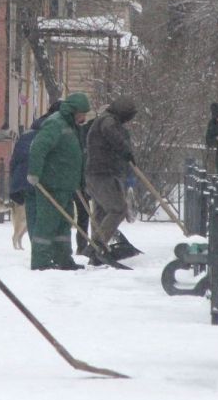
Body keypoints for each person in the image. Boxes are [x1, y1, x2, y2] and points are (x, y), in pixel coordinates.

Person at [25, 92, 91, 271]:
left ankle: (63, 259)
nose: (84, 118)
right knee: (47, 224)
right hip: (51, 184)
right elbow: (39, 147)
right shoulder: (55, 124)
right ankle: (41, 261)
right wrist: (34, 173)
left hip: (66, 185)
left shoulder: (72, 126)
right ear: (73, 111)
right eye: (82, 114)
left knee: (63, 225)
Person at [84, 96, 137, 264]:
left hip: (97, 173)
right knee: (118, 209)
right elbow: (113, 136)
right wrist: (125, 150)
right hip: (103, 174)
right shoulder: (107, 121)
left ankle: (96, 252)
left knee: (101, 212)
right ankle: (97, 245)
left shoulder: (105, 120)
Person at [7, 101, 59, 238]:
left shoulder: (27, 134)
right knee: (46, 221)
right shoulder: (53, 133)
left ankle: (36, 245)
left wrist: (14, 182)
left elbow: (14, 161)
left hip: (24, 182)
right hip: (43, 182)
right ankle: (42, 246)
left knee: (33, 219)